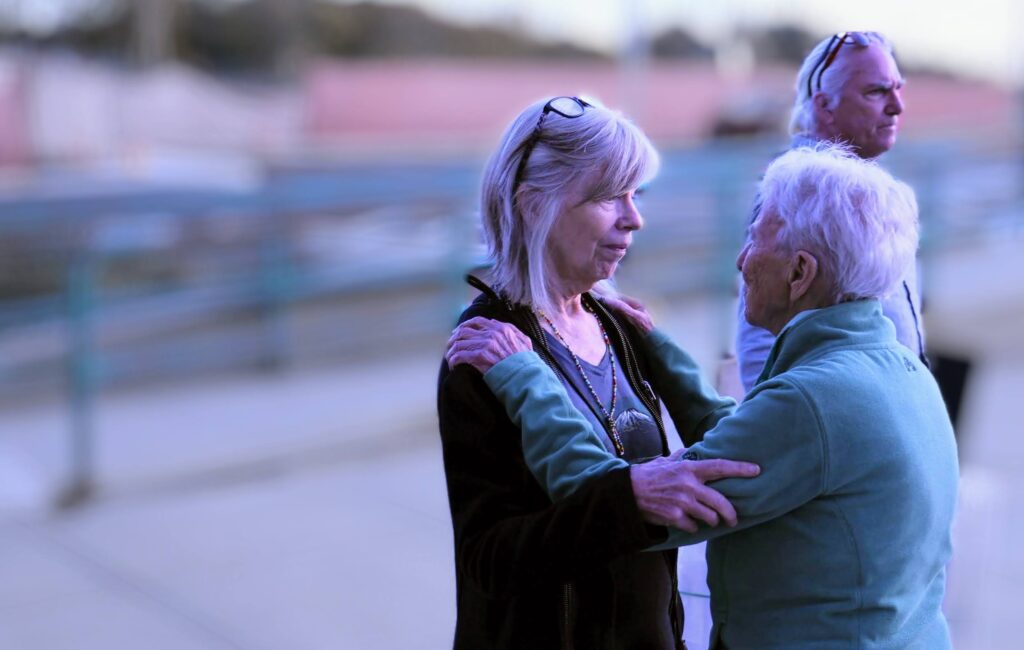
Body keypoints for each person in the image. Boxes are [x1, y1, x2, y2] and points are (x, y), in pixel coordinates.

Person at [448, 144, 959, 649]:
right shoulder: (899, 371)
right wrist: (660, 354)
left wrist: (524, 377)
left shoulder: (813, 401)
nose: (740, 260)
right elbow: (753, 443)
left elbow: (604, 496)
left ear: (800, 274)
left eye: (755, 239)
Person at [437, 96, 760, 649]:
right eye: (610, 196)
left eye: (637, 195)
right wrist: (628, 499)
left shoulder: (617, 324)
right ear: (534, 205)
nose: (635, 219)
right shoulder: (487, 348)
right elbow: (487, 560)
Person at [736, 31, 927, 393]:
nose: (897, 106)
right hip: (834, 425)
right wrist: (774, 425)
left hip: (875, 410)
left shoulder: (856, 186)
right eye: (875, 92)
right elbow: (760, 329)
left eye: (898, 89)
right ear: (824, 105)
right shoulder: (797, 189)